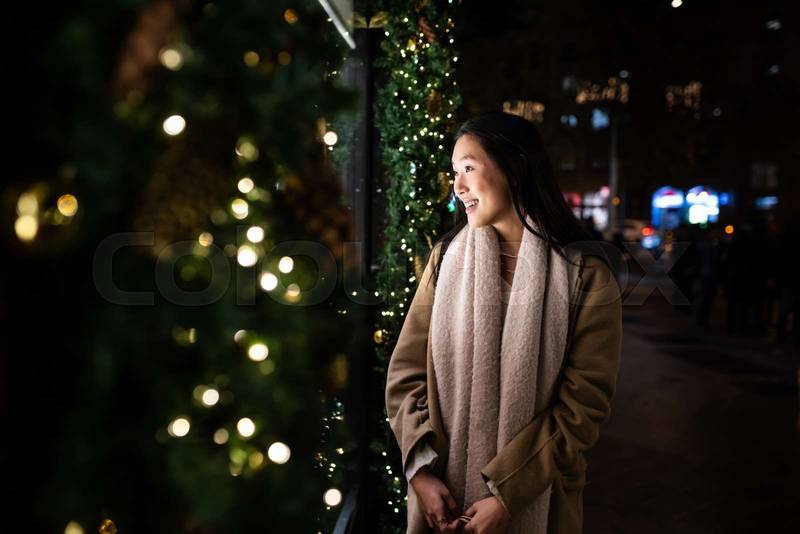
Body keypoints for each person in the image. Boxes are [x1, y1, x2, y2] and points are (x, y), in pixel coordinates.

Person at [385, 111, 623, 534]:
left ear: (513, 168)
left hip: (537, 504)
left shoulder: (586, 274)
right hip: (444, 503)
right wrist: (420, 473)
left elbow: (583, 406)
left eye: (469, 169)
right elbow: (405, 377)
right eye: (455, 172)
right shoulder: (444, 261)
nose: (457, 187)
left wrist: (507, 496)